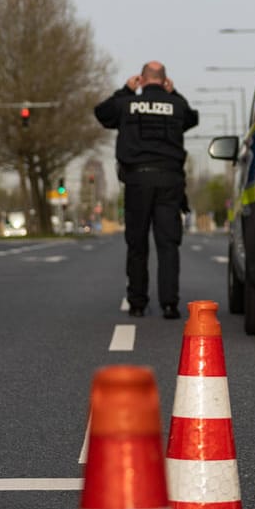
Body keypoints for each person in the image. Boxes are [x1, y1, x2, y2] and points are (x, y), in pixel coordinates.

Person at [95, 61, 198, 319]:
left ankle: (138, 303)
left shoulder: (126, 104)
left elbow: (101, 113)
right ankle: (170, 304)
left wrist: (126, 91)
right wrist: (173, 94)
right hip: (169, 182)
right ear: (165, 80)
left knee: (137, 244)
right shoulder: (176, 105)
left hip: (137, 181)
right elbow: (192, 118)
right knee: (168, 244)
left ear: (141, 79)